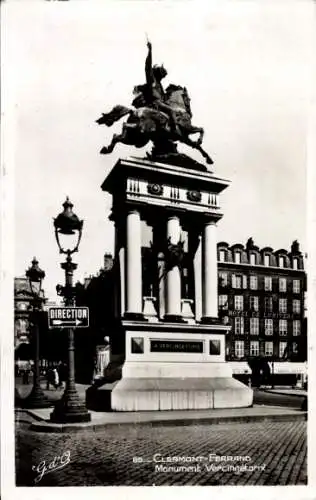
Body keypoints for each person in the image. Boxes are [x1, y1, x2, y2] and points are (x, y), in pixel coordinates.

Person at [144, 40, 177, 133]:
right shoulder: (151, 79)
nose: (162, 77)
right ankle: (174, 131)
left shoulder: (159, 84)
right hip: (155, 103)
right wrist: (150, 51)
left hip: (160, 103)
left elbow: (164, 97)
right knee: (171, 111)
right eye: (162, 75)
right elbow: (147, 65)